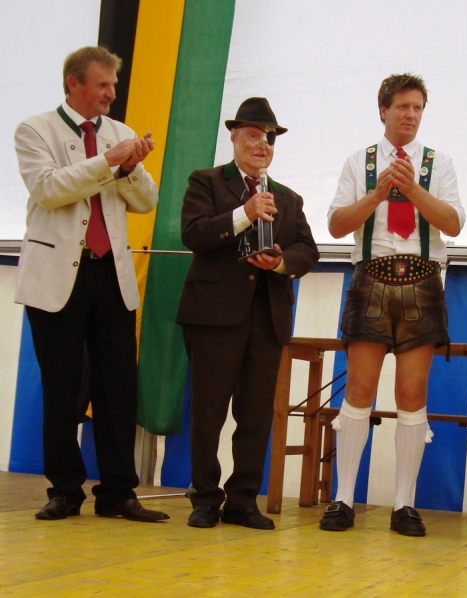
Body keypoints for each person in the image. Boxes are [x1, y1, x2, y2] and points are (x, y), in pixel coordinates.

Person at [14, 46, 167, 522]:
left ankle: (118, 492)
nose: (111, 93)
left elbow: (146, 200)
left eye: (114, 85)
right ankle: (64, 490)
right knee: (62, 385)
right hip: (58, 274)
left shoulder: (119, 134)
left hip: (111, 273)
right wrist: (108, 162)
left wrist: (127, 167)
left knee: (118, 386)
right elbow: (49, 189)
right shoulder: (34, 129)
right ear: (73, 84)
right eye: (102, 85)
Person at [322, 73, 464, 536]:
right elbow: (336, 226)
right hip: (372, 276)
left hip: (422, 279)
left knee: (412, 393)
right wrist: (378, 193)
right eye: (402, 106)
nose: (410, 115)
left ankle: (404, 504)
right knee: (359, 389)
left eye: (417, 108)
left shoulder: (438, 163)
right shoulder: (359, 161)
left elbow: (454, 224)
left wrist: (414, 190)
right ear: (383, 110)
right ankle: (343, 498)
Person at [177, 97, 319, 529]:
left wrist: (280, 262)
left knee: (256, 414)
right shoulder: (205, 182)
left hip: (267, 317)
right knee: (209, 412)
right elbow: (194, 234)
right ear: (234, 138)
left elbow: (308, 249)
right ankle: (205, 498)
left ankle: (242, 500)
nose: (262, 145)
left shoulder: (289, 198)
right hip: (213, 316)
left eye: (269, 139)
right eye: (253, 136)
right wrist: (245, 213)